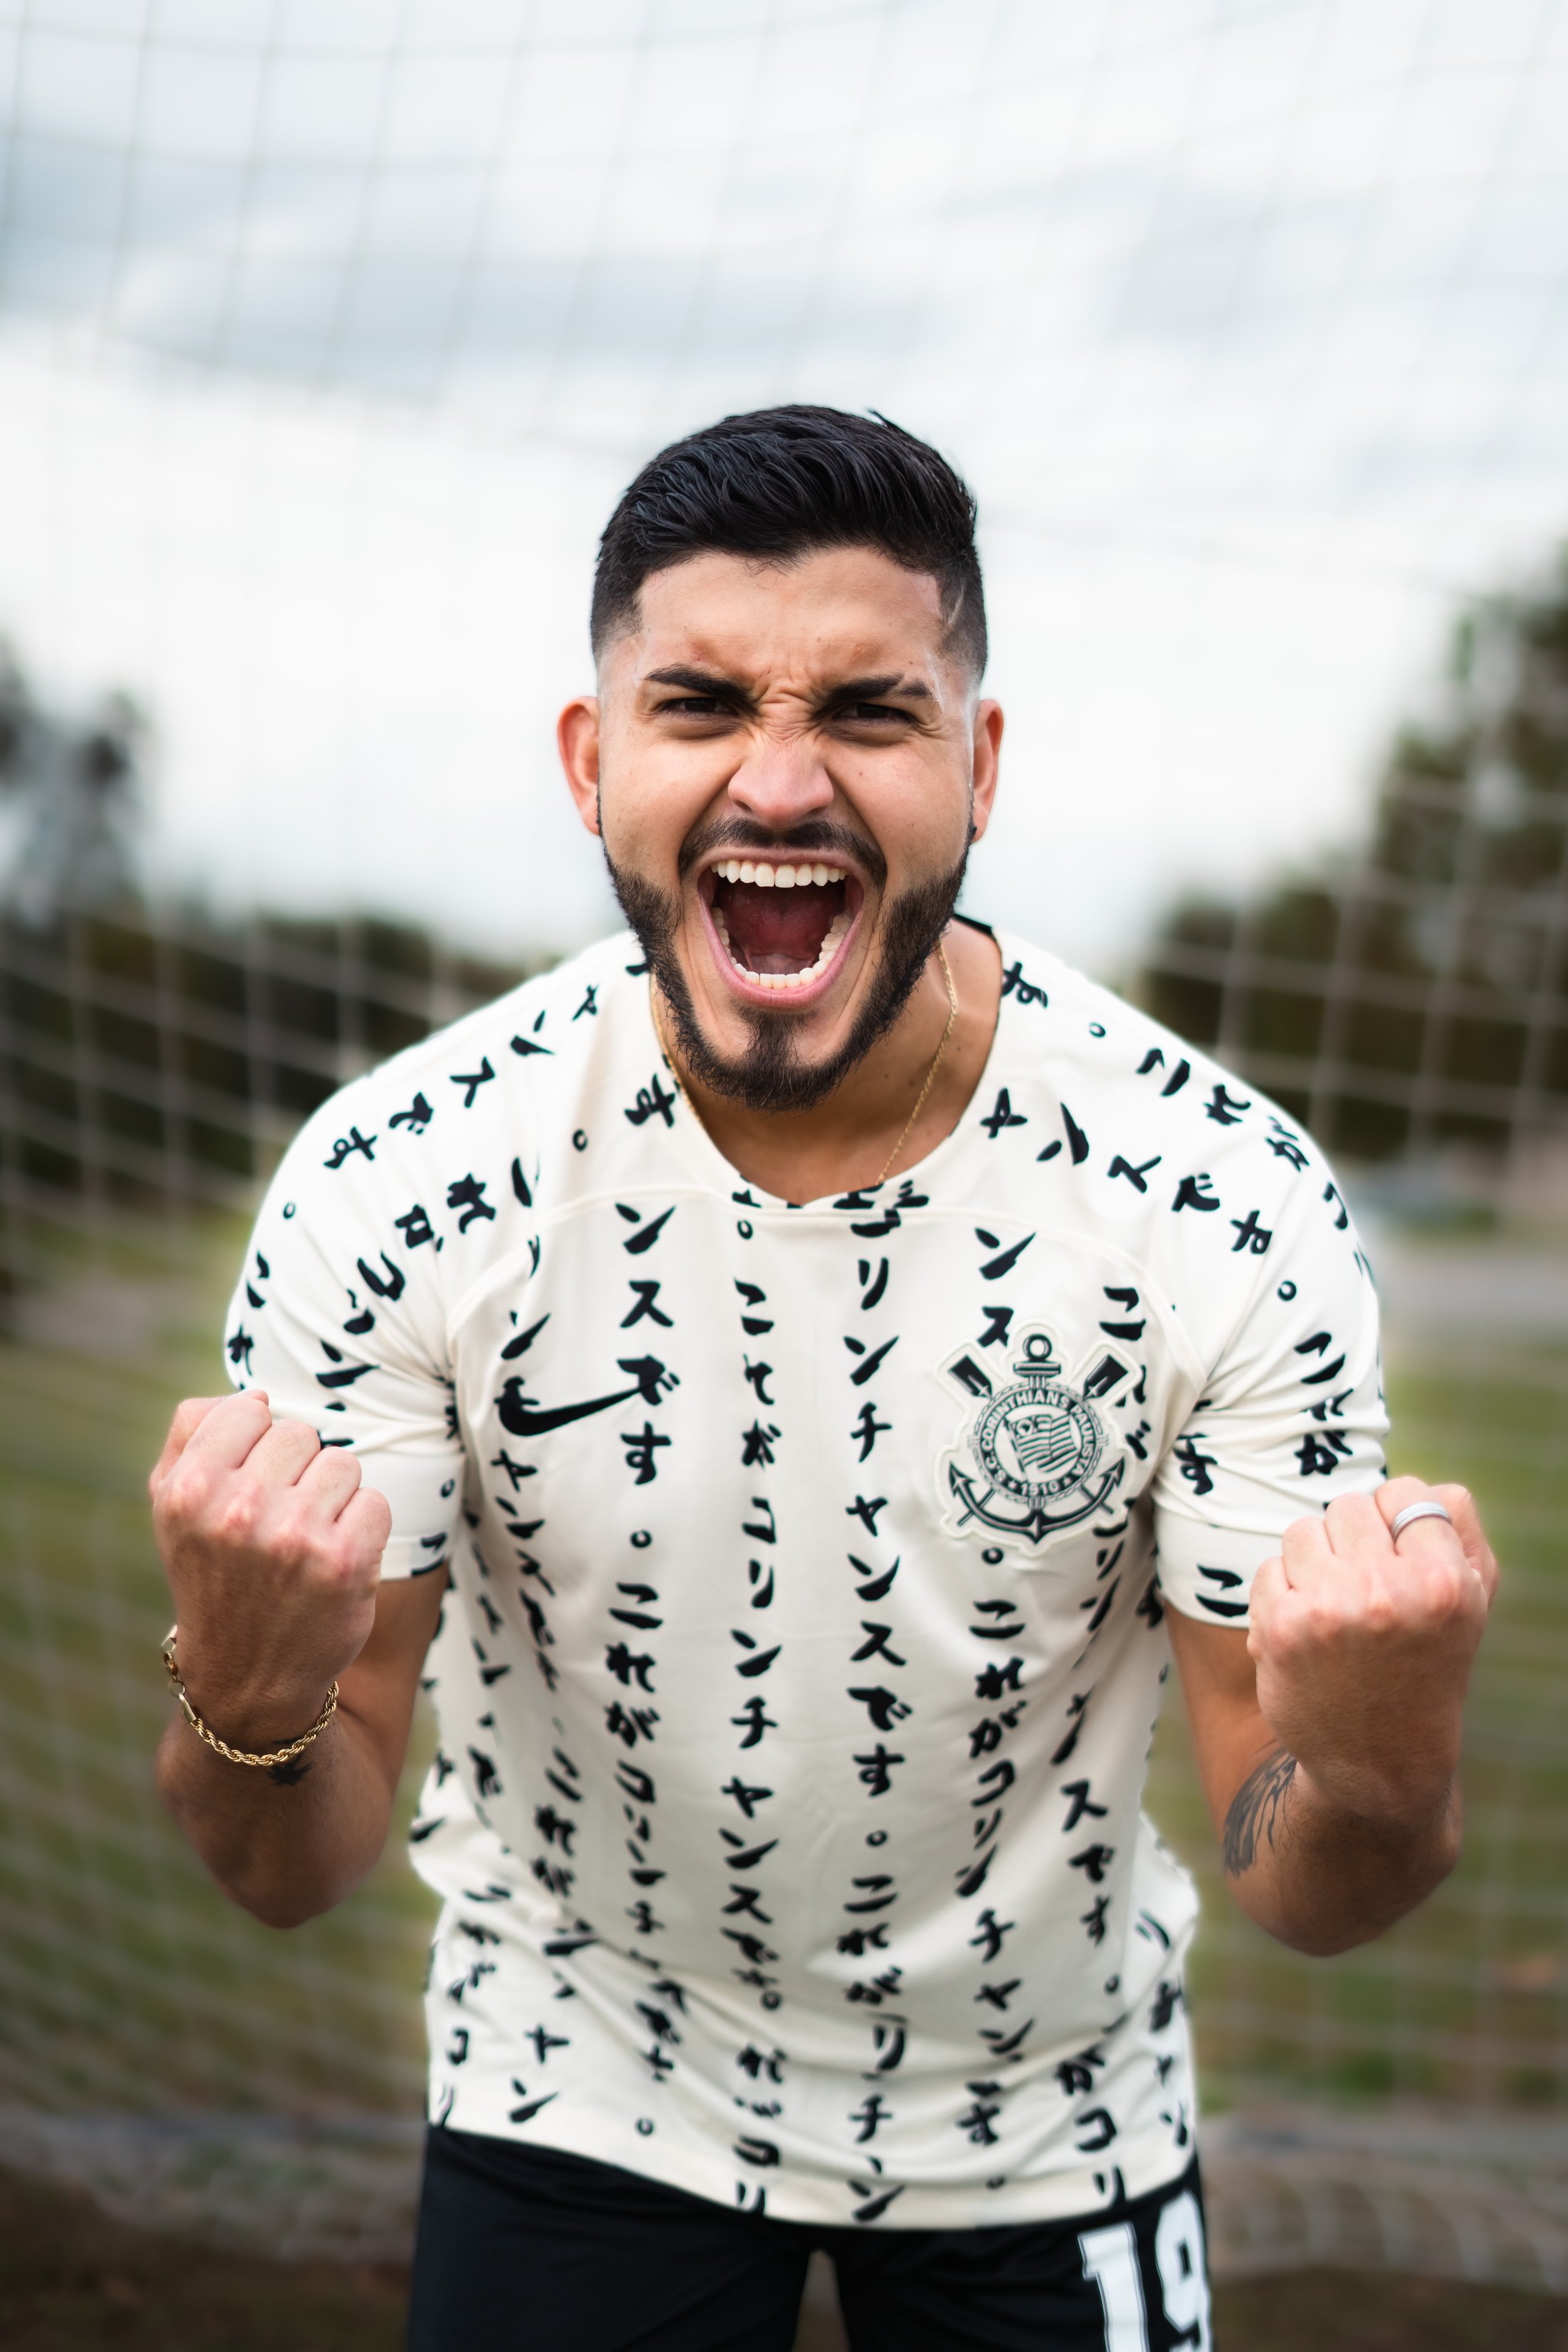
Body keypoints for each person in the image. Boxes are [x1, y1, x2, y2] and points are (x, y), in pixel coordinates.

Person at [150, 406, 1496, 2352]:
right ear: (589, 761)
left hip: (1048, 2111)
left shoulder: (1212, 1198)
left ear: (978, 765)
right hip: (574, 2076)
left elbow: (1308, 1880)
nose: (778, 783)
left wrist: (1381, 1761)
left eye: (869, 711)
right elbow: (288, 1864)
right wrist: (248, 1697)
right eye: (699, 704)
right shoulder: (404, 1180)